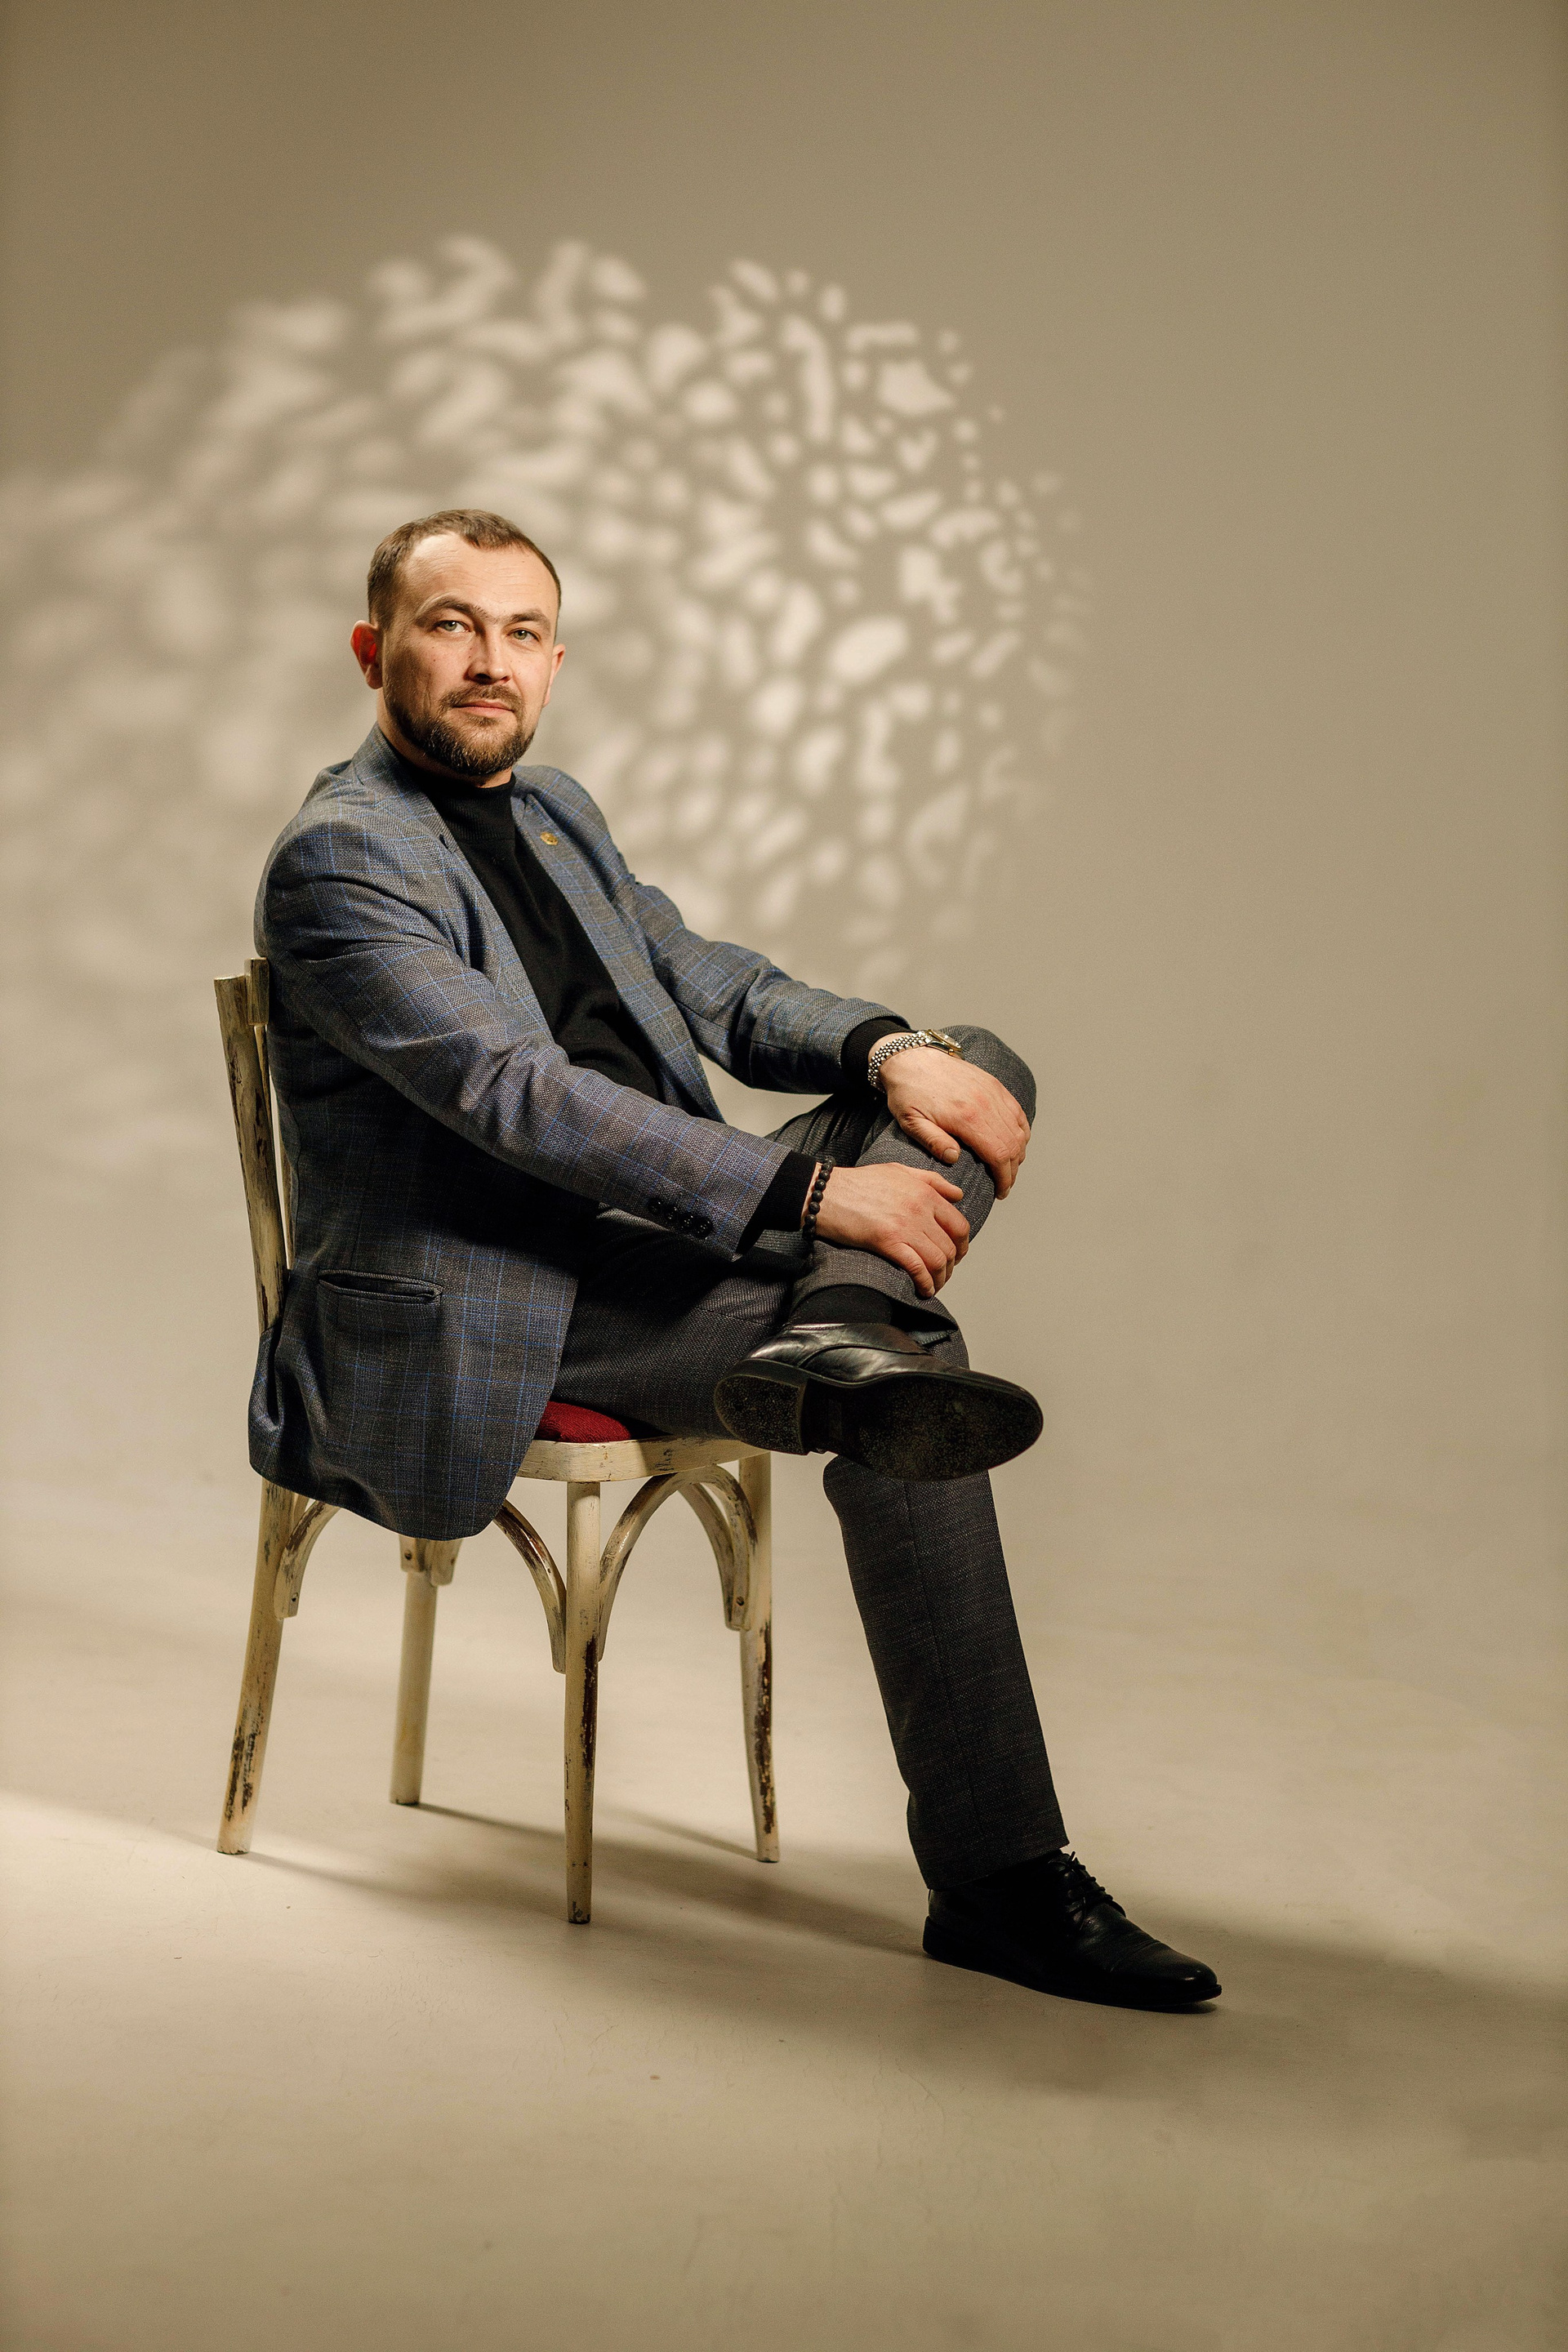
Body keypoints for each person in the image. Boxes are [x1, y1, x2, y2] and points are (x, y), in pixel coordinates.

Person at [251, 506, 1220, 2011]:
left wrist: (886, 1050)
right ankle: (999, 1878)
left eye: (521, 632)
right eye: (451, 626)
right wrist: (816, 1197)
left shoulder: (555, 809)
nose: (490, 660)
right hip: (496, 1302)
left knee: (977, 1058)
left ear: (555, 661)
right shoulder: (341, 859)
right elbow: (519, 1098)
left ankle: (836, 1332)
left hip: (655, 1245)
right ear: (376, 652)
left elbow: (709, 982)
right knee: (918, 1370)